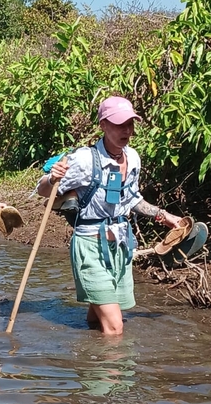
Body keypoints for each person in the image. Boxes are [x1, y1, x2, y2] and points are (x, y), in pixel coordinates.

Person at [37, 95, 183, 337]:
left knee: (97, 320)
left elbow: (132, 198)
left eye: (130, 124)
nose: (127, 130)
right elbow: (44, 192)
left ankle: (90, 360)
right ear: (103, 125)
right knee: (115, 328)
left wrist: (164, 216)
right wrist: (52, 177)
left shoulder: (133, 157)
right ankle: (111, 373)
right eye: (119, 124)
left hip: (120, 246)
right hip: (91, 246)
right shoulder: (84, 159)